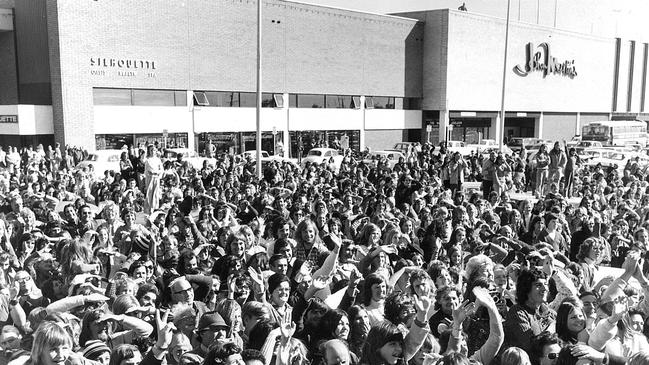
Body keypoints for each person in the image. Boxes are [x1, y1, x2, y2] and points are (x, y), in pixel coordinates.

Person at [144, 145, 163, 214]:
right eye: (151, 150)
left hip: (156, 177)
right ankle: (149, 209)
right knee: (149, 193)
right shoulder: (147, 160)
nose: (152, 152)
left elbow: (161, 169)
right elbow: (146, 170)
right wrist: (149, 174)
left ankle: (155, 207)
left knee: (156, 193)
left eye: (154, 150)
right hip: (150, 177)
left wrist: (158, 174)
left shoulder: (158, 160)